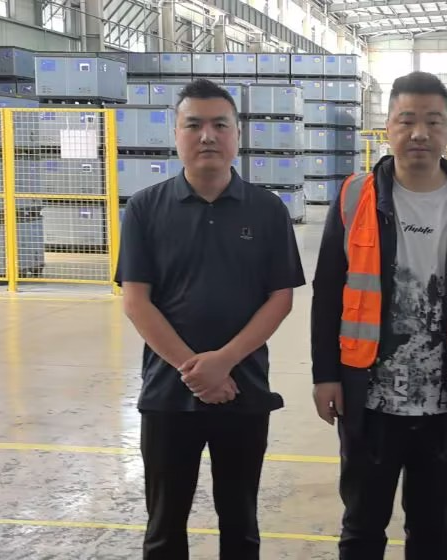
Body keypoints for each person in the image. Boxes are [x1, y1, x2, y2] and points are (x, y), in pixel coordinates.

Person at [310, 71, 447, 560]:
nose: (420, 132)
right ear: (388, 126)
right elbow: (328, 292)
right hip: (368, 396)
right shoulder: (355, 196)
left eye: (433, 121)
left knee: (431, 525)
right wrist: (325, 375)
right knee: (362, 524)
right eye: (407, 120)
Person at [115, 78, 306, 560]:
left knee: (241, 523)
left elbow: (280, 298)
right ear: (176, 134)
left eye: (220, 125)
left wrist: (224, 362)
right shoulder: (145, 208)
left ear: (237, 135)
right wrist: (196, 370)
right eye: (193, 125)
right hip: (167, 394)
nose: (207, 136)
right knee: (164, 526)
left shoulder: (267, 210)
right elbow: (136, 301)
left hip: (244, 391)